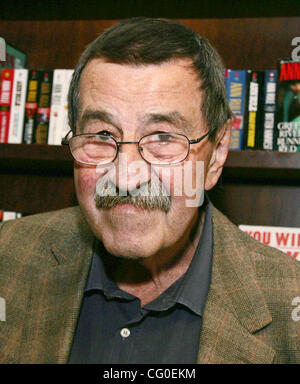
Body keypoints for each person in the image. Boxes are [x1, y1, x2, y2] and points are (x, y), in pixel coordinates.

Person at [0, 17, 300, 364]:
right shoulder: (8, 257)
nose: (126, 178)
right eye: (102, 135)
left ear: (216, 155)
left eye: (163, 137)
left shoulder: (288, 308)